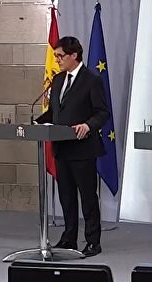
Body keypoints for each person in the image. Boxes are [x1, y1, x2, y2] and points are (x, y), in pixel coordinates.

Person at [36, 36, 110, 257]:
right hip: (61, 148)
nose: (57, 60)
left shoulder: (91, 80)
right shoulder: (58, 80)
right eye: (56, 56)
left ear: (74, 55)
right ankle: (69, 237)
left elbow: (102, 112)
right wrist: (35, 123)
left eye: (60, 56)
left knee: (87, 197)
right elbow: (54, 113)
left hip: (83, 148)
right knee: (66, 197)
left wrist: (88, 125)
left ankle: (93, 241)